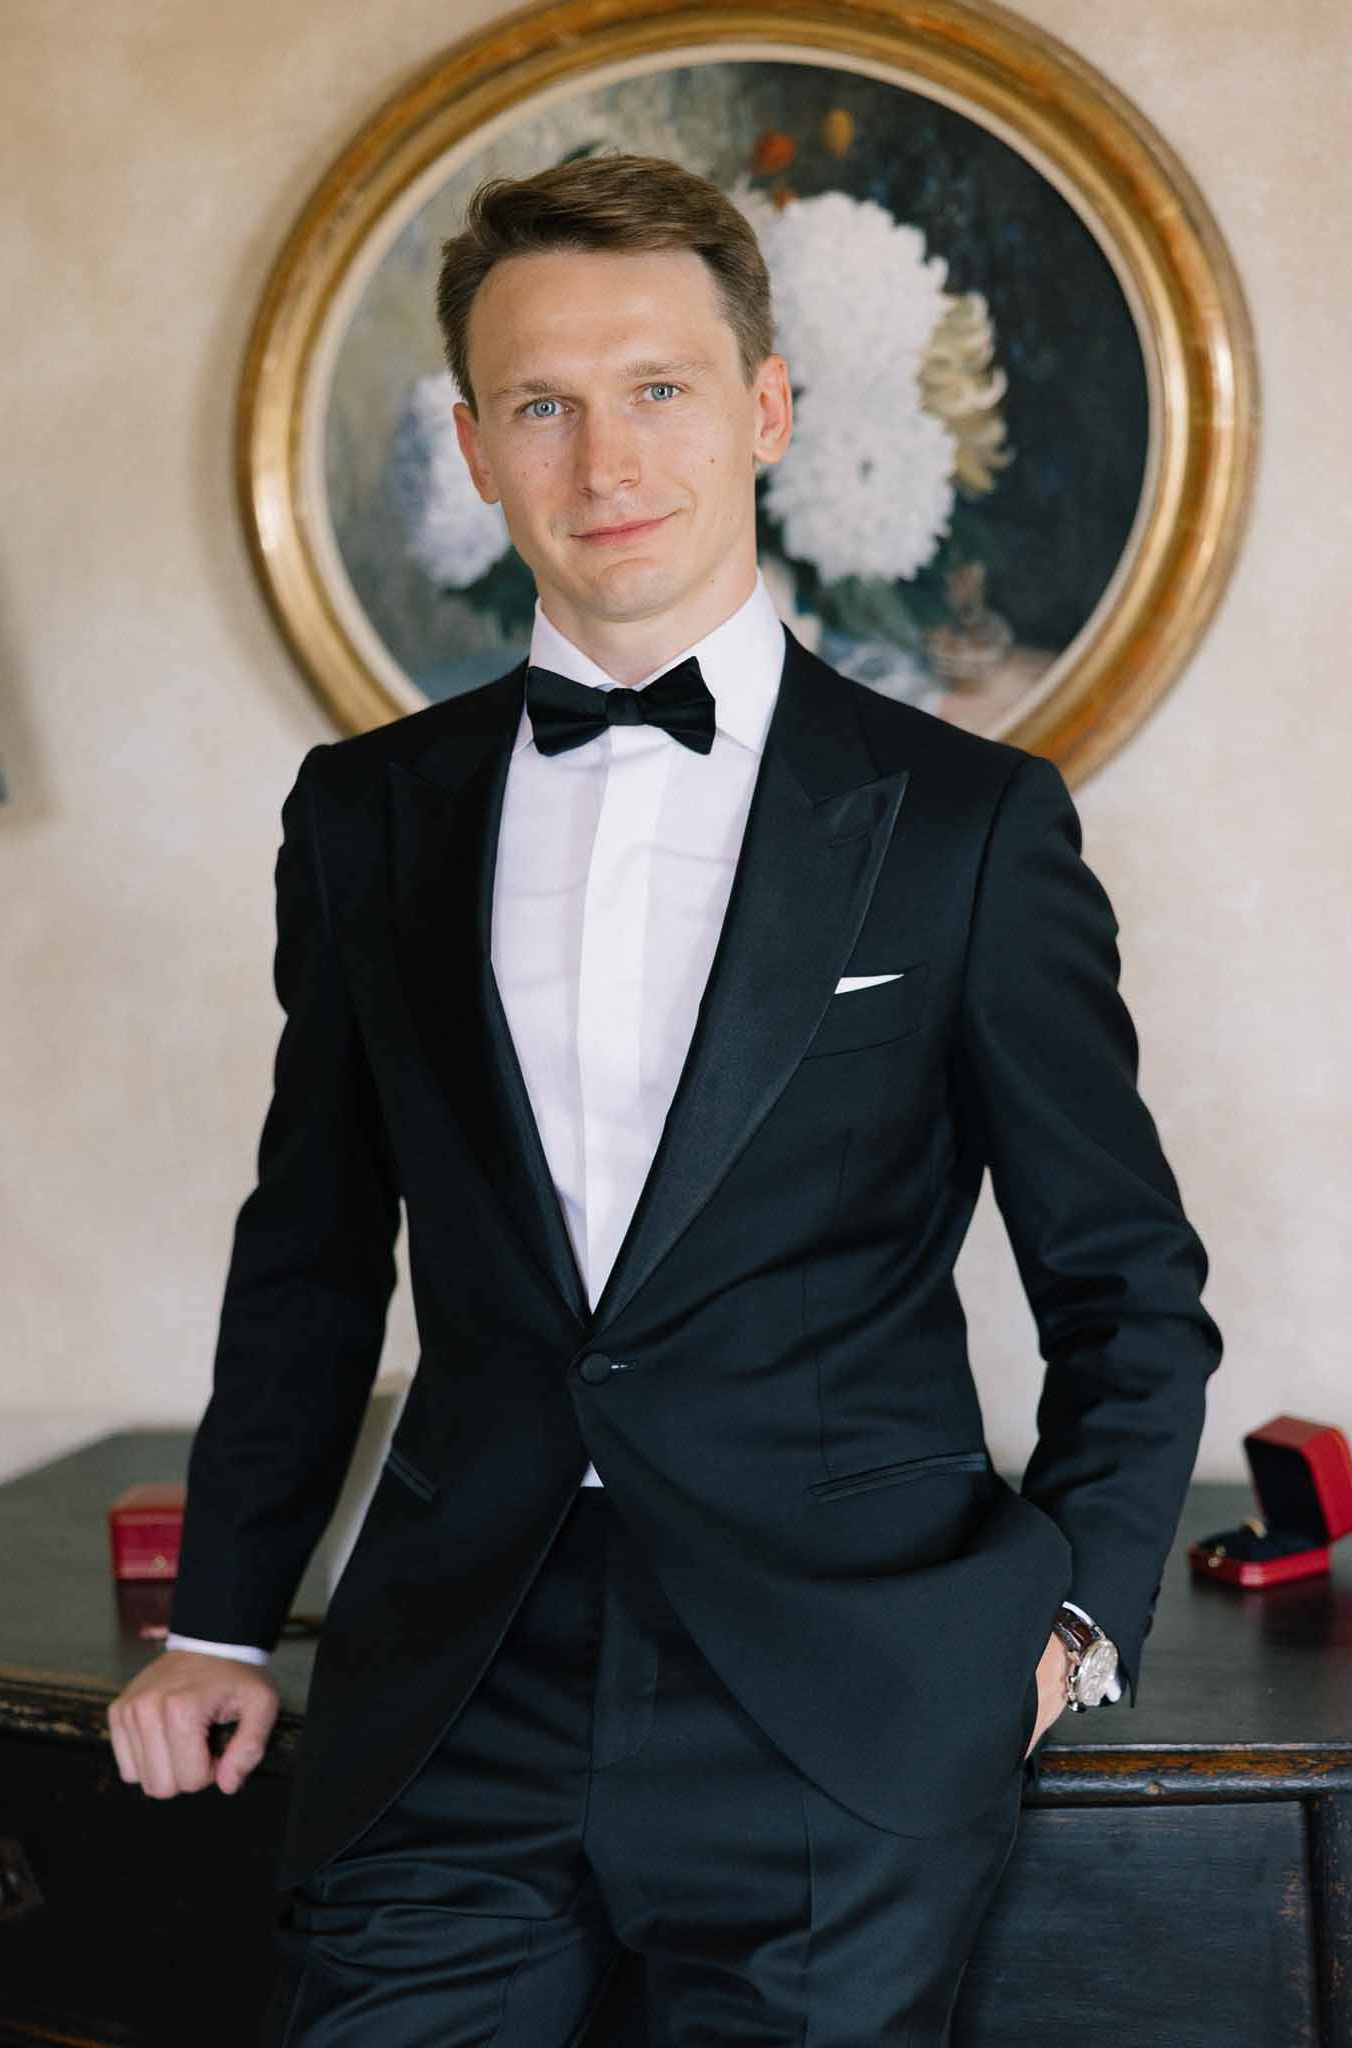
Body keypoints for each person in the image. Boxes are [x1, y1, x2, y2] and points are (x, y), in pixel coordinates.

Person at [107, 150, 1222, 2045]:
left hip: (841, 1690)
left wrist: (1062, 1635)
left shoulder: (967, 828)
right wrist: (221, 1618)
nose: (604, 463)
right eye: (540, 404)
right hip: (460, 1675)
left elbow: (1122, 1281)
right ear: (473, 445)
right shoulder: (366, 815)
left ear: (766, 409)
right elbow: (308, 1247)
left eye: (658, 390)